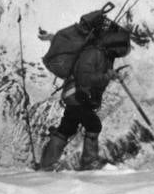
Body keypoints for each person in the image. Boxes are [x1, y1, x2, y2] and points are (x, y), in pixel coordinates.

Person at [39, 19, 130, 172]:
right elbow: (84, 78)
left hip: (79, 97)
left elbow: (95, 77)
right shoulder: (93, 53)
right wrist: (107, 76)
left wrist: (110, 75)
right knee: (93, 125)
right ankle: (89, 163)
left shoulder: (103, 55)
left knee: (66, 128)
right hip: (77, 95)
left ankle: (47, 163)